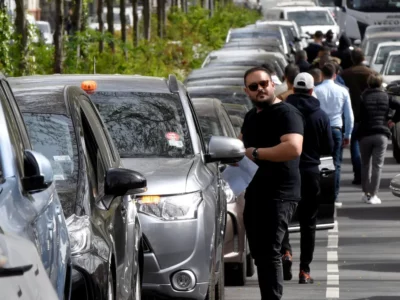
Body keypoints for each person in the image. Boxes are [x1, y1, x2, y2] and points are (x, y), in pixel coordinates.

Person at [240, 66, 304, 300]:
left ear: (273, 84)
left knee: (269, 252)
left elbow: (293, 147)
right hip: (254, 192)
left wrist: (256, 153)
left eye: (264, 83)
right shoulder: (250, 117)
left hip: (280, 193)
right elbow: (240, 146)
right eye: (254, 86)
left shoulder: (286, 113)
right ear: (246, 90)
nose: (261, 89)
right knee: (260, 254)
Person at [282, 73, 334, 284]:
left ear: (293, 89)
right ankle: (305, 271)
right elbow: (328, 147)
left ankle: (285, 251)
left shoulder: (283, 112)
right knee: (308, 223)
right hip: (311, 172)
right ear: (312, 90)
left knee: (282, 216)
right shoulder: (320, 115)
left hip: (285, 171)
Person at [315, 63, 354, 207]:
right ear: (335, 75)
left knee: (321, 162)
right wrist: (348, 134)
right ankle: (334, 196)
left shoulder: (316, 90)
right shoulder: (342, 91)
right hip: (337, 129)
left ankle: (321, 194)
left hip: (320, 130)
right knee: (336, 164)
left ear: (321, 74)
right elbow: (349, 115)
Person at [341, 48, 377, 185]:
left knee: (354, 146)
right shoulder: (371, 73)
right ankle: (368, 176)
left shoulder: (345, 74)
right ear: (363, 59)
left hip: (352, 115)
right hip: (369, 116)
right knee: (370, 149)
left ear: (352, 59)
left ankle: (359, 175)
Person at [357, 74, 391, 204]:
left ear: (369, 83)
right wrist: (392, 119)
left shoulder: (363, 97)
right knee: (378, 165)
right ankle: (373, 194)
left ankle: (366, 193)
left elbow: (358, 115)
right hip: (381, 134)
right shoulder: (386, 96)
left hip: (365, 134)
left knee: (365, 165)